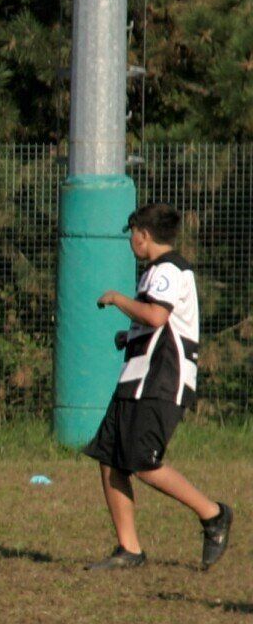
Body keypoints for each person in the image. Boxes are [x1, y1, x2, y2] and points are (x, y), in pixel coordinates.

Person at [82, 203, 233, 571]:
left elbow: (156, 315)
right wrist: (130, 336)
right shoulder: (158, 270)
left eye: (132, 233)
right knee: (111, 458)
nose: (131, 241)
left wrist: (118, 299)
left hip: (161, 381)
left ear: (143, 234)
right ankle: (129, 549)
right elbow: (155, 325)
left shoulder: (167, 270)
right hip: (138, 378)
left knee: (142, 462)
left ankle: (213, 514)